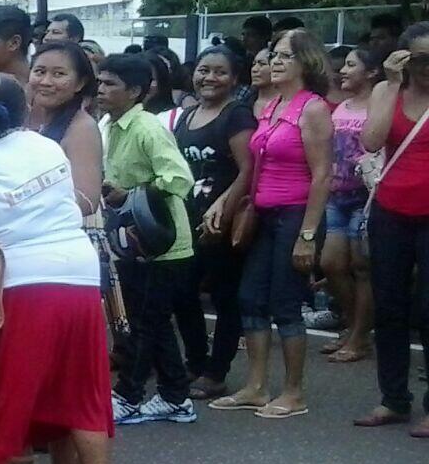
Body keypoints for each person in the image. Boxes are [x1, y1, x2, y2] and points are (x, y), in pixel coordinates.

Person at [0, 73, 122, 464]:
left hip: (22, 282)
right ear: (26, 109)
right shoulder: (49, 147)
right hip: (80, 274)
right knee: (85, 389)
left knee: (2, 392)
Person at [210, 29, 333, 418]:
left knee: (285, 304)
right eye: (272, 55)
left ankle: (293, 392)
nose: (274, 62)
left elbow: (323, 174)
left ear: (305, 62)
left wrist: (308, 235)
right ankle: (257, 386)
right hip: (266, 214)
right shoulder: (272, 105)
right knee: (249, 298)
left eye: (283, 56)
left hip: (297, 215)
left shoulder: (311, 108)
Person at [97, 53, 197, 424]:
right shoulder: (109, 124)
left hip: (163, 244)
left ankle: (128, 396)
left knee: (143, 324)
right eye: (100, 81)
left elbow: (178, 178)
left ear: (136, 91)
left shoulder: (147, 128)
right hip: (134, 242)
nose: (101, 89)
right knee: (150, 320)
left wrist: (131, 193)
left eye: (110, 84)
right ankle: (175, 398)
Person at [170, 45, 257, 399]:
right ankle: (195, 361)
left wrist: (223, 208)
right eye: (204, 70)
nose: (210, 77)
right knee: (182, 293)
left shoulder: (236, 115)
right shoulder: (187, 115)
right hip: (186, 219)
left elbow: (248, 169)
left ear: (235, 79)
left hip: (222, 220)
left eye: (220, 72)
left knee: (224, 298)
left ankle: (216, 372)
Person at [356, 23, 429, 432]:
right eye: (420, 59)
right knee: (389, 307)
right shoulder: (387, 91)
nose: (427, 67)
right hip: (391, 211)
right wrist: (393, 81)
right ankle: (394, 398)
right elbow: (371, 141)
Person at [321, 45, 383, 363]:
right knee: (331, 263)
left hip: (366, 198)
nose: (342, 71)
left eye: (350, 65)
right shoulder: (341, 106)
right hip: (336, 195)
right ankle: (354, 324)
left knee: (362, 268)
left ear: (372, 72)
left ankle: (359, 337)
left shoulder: (379, 106)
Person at [27, 42, 103, 219]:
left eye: (58, 74)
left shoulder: (82, 128)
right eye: (39, 72)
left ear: (80, 83)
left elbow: (87, 200)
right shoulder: (27, 116)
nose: (46, 82)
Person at [248, 45, 276, 116]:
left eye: (262, 64)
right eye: (254, 64)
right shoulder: (245, 102)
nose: (254, 69)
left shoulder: (286, 104)